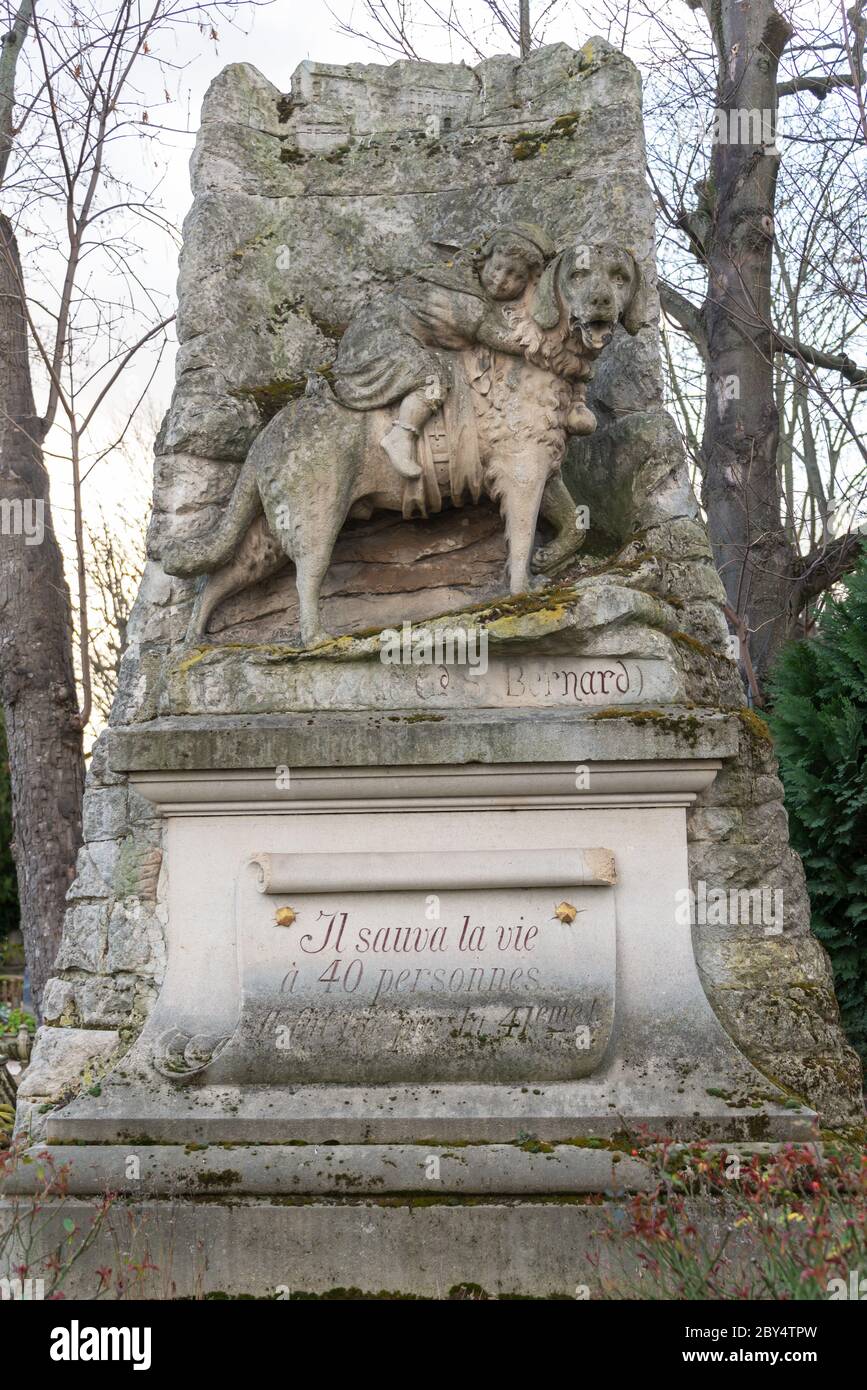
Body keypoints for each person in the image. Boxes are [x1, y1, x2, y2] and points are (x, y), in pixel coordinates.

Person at [333, 223, 556, 480]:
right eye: (498, 268)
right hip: (375, 341)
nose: (502, 280)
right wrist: (555, 344)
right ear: (484, 261)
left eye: (516, 276)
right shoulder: (465, 297)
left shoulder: (473, 292)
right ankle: (401, 435)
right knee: (432, 378)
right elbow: (505, 340)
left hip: (390, 338)